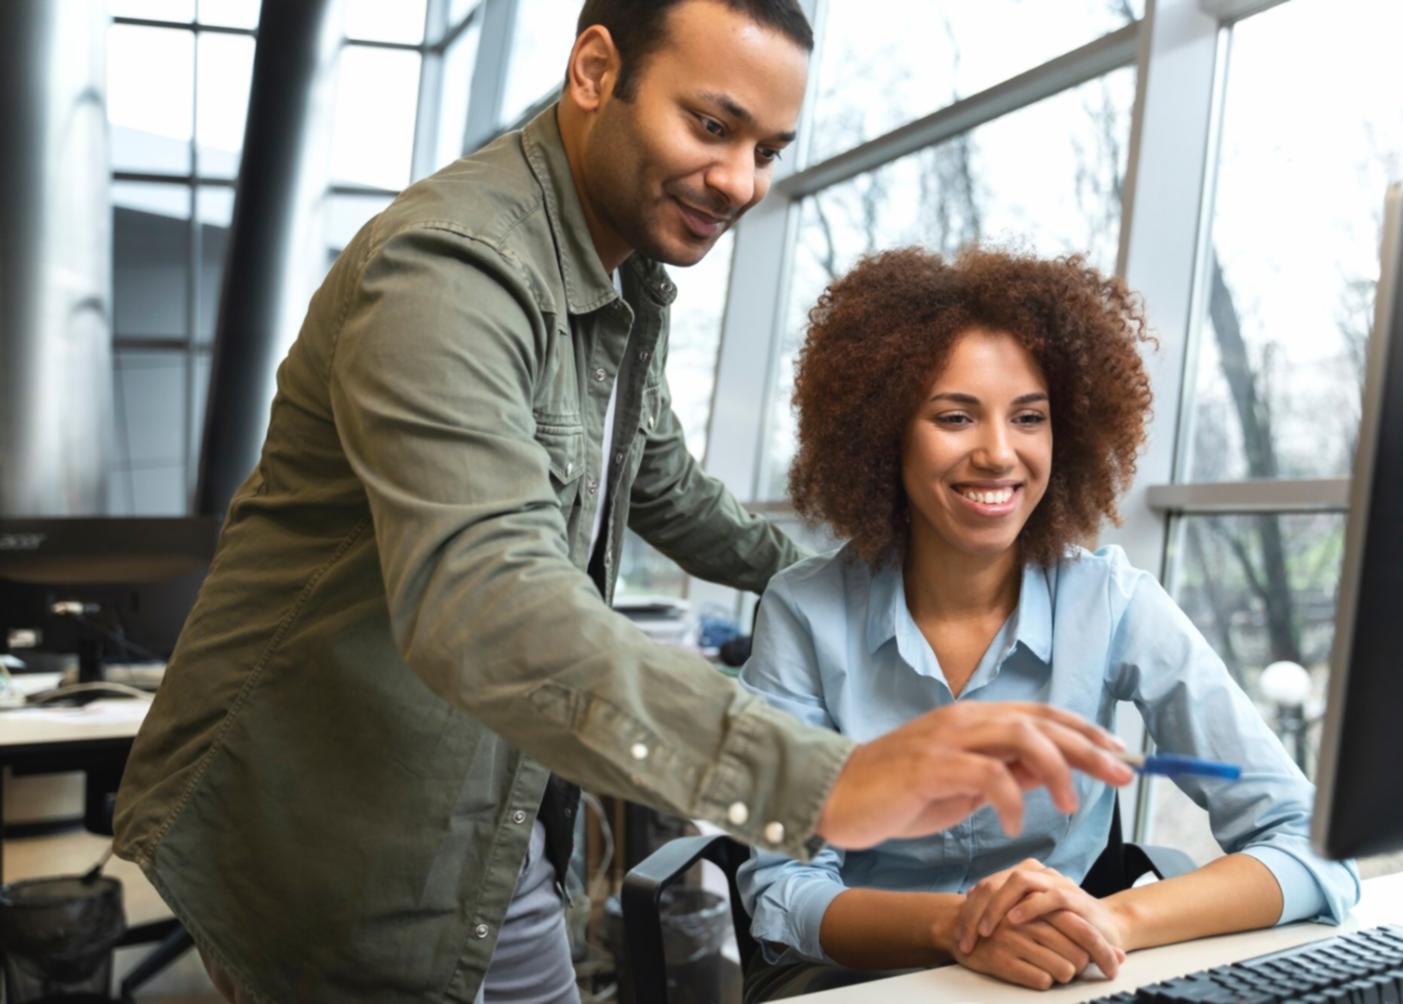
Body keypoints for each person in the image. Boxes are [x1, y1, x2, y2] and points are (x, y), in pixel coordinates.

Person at [111, 4, 1134, 1002]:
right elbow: (484, 598)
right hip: (335, 814)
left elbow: (663, 485)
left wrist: (864, 582)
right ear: (595, 71)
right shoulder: (450, 270)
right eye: (711, 126)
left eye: (768, 148)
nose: (739, 181)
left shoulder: (623, 274)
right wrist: (827, 780)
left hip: (482, 802)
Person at [735, 246, 1362, 1001]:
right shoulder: (803, 611)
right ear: (883, 433)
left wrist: (1109, 921)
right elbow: (783, 889)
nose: (999, 454)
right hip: (861, 979)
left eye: (1028, 418)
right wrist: (959, 926)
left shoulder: (1114, 602)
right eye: (954, 416)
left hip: (1060, 974)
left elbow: (1309, 844)